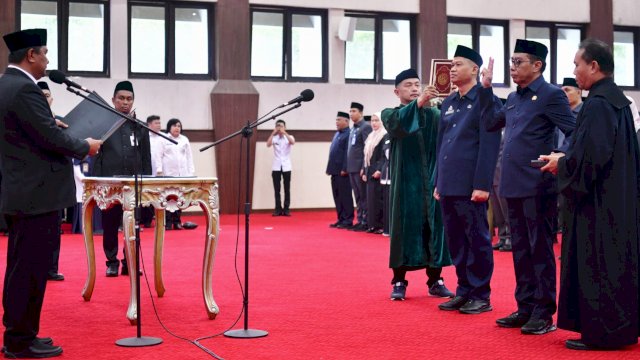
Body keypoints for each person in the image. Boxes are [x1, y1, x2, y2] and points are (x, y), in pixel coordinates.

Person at [0, 28, 101, 358]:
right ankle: (19, 341)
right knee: (29, 269)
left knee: (22, 267)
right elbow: (52, 140)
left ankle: (22, 332)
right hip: (36, 194)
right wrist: (86, 147)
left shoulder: (6, 85)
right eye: (44, 53)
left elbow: (31, 132)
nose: (47, 60)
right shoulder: (26, 90)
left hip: (23, 191)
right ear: (31, 55)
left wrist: (50, 126)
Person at [540, 38, 640, 351]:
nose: (574, 71)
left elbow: (591, 158)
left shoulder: (597, 104)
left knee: (598, 264)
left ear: (593, 66)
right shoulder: (617, 101)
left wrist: (562, 162)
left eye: (576, 64)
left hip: (597, 204)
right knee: (615, 265)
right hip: (617, 200)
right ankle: (617, 329)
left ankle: (602, 333)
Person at [479, 39, 575, 334]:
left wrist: (562, 156)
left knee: (540, 249)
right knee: (520, 249)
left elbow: (573, 130)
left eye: (518, 61)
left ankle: (544, 311)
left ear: (538, 65)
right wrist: (485, 90)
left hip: (537, 184)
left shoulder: (551, 95)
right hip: (512, 184)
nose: (512, 67)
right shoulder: (512, 98)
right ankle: (525, 306)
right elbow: (490, 123)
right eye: (511, 61)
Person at [434, 46, 502, 314]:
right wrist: (438, 180)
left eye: (458, 64)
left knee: (477, 240)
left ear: (475, 69)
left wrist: (482, 184)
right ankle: (463, 290)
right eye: (451, 64)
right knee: (456, 240)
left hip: (471, 184)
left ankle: (481, 294)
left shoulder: (486, 100)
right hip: (449, 183)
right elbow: (442, 144)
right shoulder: (450, 102)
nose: (452, 69)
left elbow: (489, 144)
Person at [381, 68, 453, 301]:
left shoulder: (434, 114)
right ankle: (399, 280)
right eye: (408, 85)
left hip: (432, 180)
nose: (414, 88)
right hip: (405, 183)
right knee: (404, 229)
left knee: (434, 228)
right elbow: (398, 127)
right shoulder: (390, 113)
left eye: (417, 84)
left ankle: (436, 279)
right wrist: (420, 103)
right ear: (396, 91)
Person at [91, 80, 152, 277]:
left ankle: (129, 261)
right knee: (110, 224)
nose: (125, 102)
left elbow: (146, 157)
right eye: (121, 98)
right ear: (113, 100)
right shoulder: (104, 126)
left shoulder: (140, 127)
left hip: (134, 185)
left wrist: (147, 183)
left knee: (133, 225)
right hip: (111, 185)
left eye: (129, 99)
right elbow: (97, 157)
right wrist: (98, 184)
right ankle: (112, 261)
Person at [36, 81, 67, 282]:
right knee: (36, 229)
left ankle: (52, 268)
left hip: (56, 183)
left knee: (54, 228)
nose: (45, 98)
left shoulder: (62, 123)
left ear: (52, 98)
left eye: (47, 95)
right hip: (35, 184)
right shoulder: (31, 121)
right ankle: (37, 267)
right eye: (41, 95)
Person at [160, 118, 195, 229]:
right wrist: (159, 171)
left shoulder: (184, 139)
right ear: (169, 127)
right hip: (168, 174)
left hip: (182, 174)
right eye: (174, 126)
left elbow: (189, 157)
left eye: (179, 126)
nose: (177, 128)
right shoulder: (164, 139)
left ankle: (177, 221)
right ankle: (168, 222)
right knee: (168, 198)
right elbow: (159, 156)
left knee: (180, 199)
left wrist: (191, 172)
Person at [346, 102, 372, 232]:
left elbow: (367, 149)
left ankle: (365, 220)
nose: (351, 114)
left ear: (360, 113)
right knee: (357, 196)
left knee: (363, 196)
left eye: (354, 111)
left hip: (359, 167)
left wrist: (364, 166)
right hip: (352, 167)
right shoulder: (354, 128)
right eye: (350, 111)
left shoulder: (365, 127)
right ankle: (360, 219)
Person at [326, 112, 354, 229]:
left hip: (343, 172)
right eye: (336, 120)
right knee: (337, 195)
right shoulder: (337, 134)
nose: (336, 122)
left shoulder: (349, 134)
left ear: (346, 122)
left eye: (339, 120)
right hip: (334, 170)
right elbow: (333, 153)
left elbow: (348, 153)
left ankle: (348, 220)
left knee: (345, 196)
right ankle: (341, 218)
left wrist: (345, 168)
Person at [361, 112, 387, 234]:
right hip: (369, 170)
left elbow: (384, 156)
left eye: (377, 120)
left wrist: (379, 169)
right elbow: (365, 154)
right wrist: (364, 168)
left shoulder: (384, 135)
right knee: (370, 199)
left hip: (377, 171)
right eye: (372, 121)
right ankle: (372, 224)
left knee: (378, 199)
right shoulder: (371, 136)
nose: (374, 123)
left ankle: (380, 224)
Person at [266, 119, 295, 216]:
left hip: (286, 166)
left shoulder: (289, 137)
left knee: (287, 188)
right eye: (277, 126)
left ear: (285, 127)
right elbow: (268, 144)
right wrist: (272, 133)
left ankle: (286, 209)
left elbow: (292, 142)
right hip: (276, 166)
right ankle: (278, 209)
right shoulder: (274, 138)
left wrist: (284, 133)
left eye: (281, 126)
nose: (279, 128)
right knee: (277, 189)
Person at [140, 115, 163, 228]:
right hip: (146, 171)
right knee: (145, 195)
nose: (159, 125)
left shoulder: (163, 138)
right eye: (156, 123)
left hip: (159, 172)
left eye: (159, 123)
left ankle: (152, 219)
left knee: (156, 196)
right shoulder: (143, 136)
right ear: (149, 124)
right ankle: (144, 219)